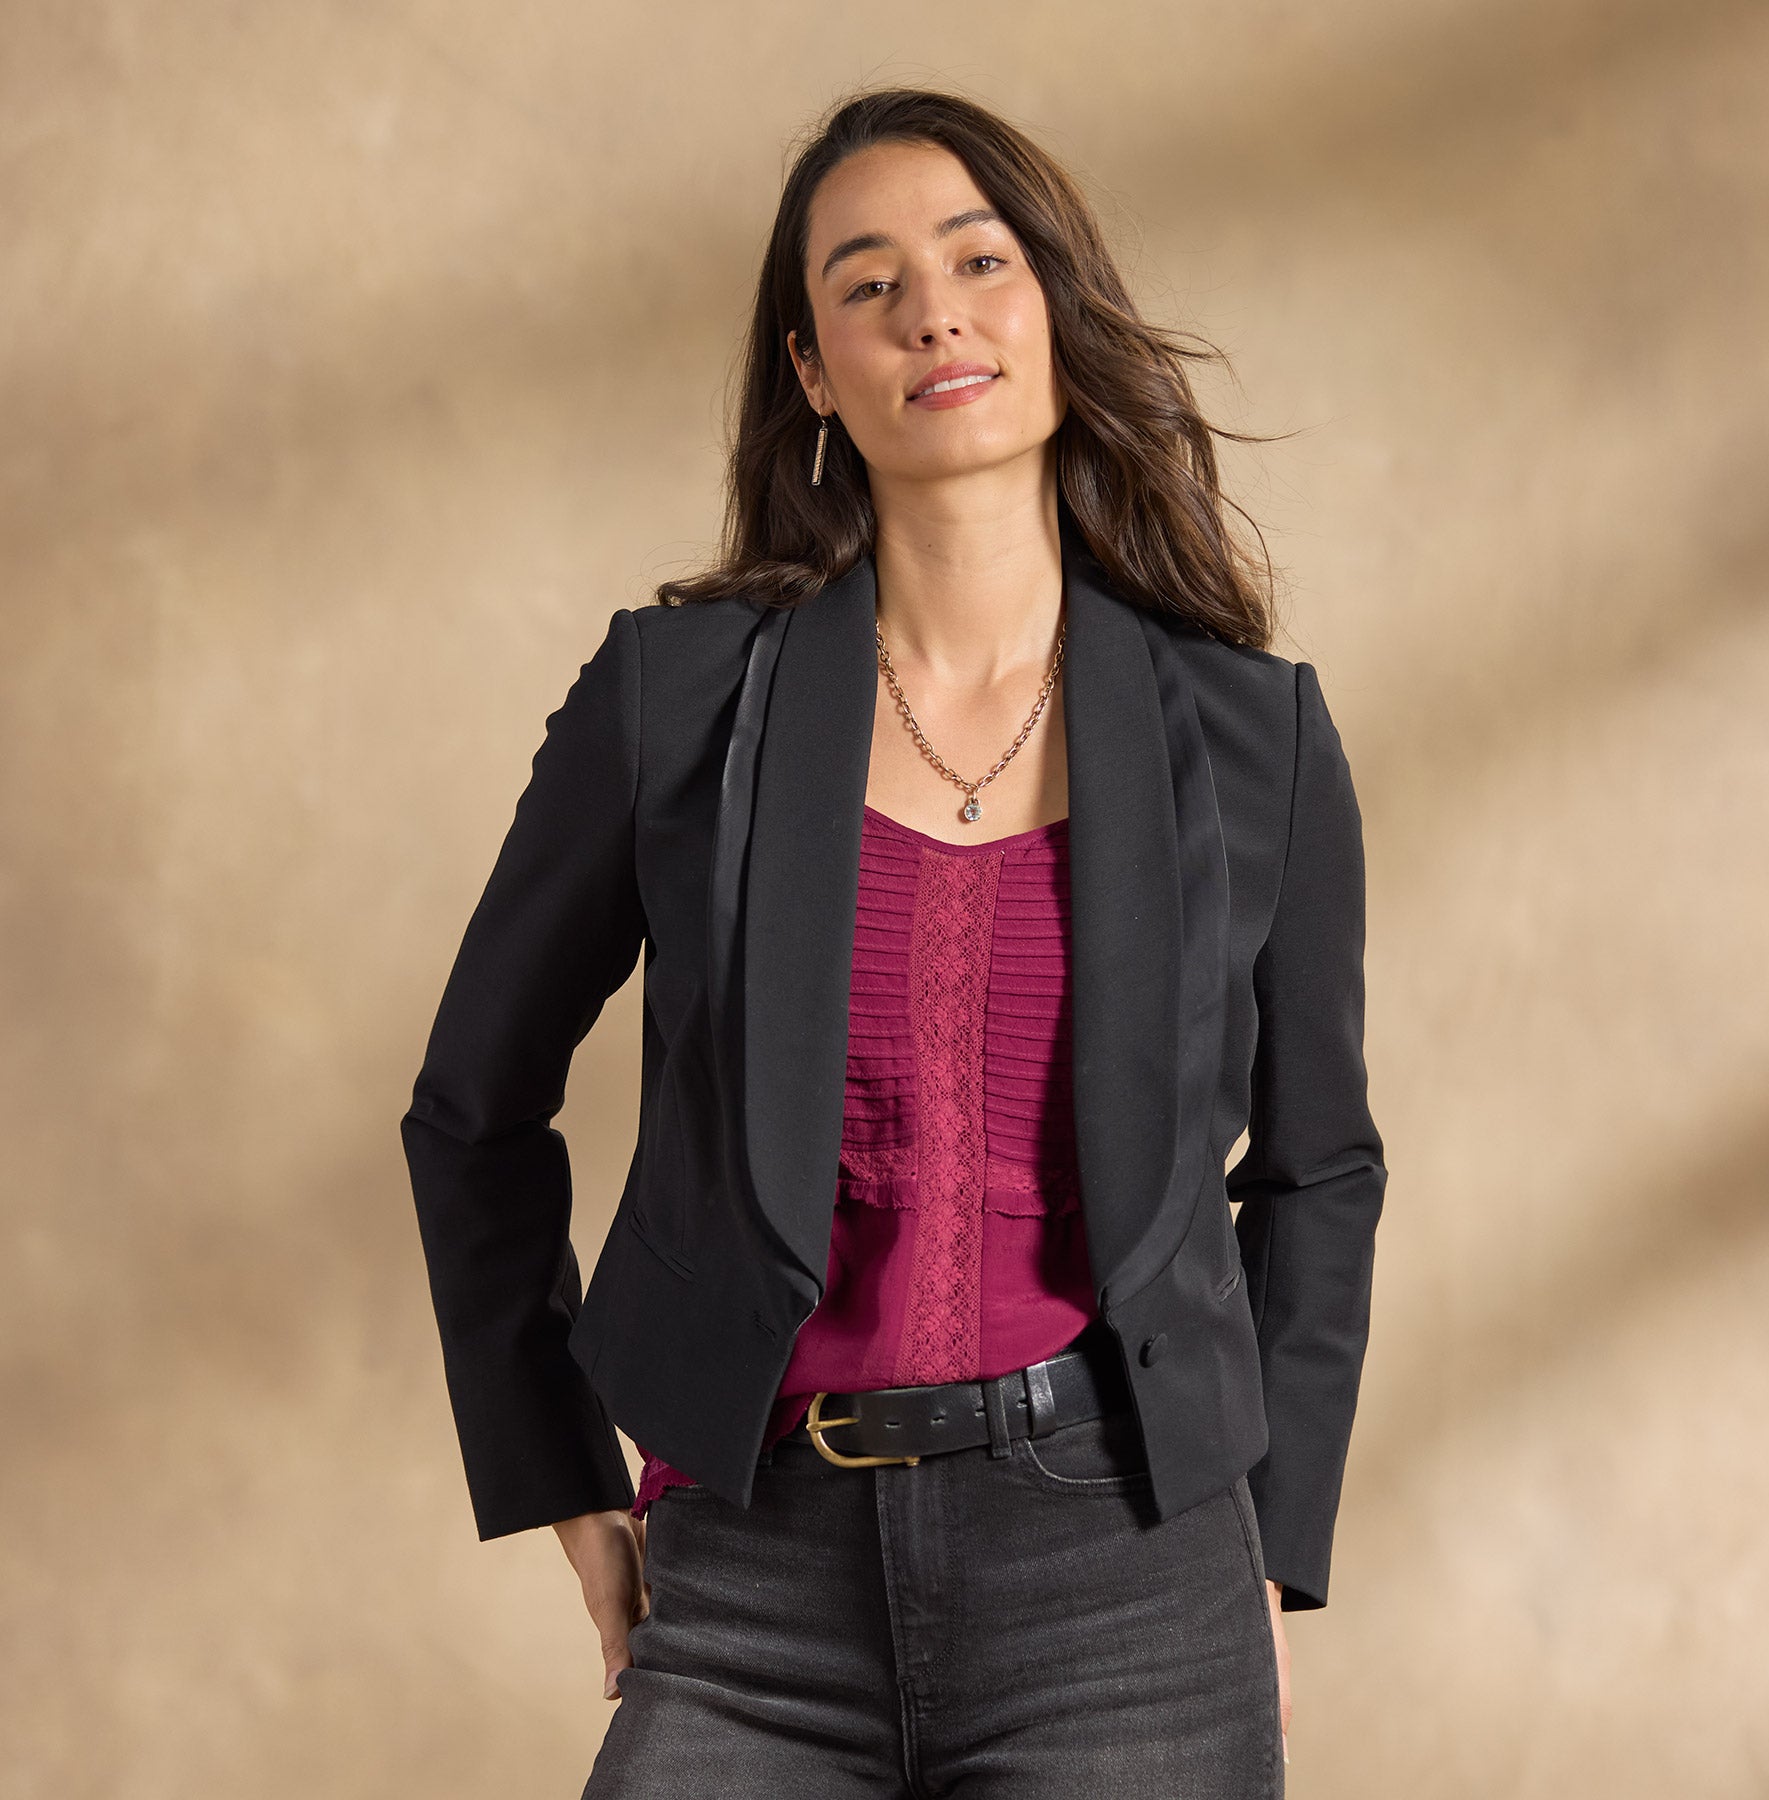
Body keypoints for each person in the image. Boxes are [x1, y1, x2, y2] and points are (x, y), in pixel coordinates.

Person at [401, 85, 1385, 1798]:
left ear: (1056, 311)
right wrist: (561, 1476)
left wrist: (1268, 1552)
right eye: (869, 284)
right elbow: (470, 1110)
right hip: (750, 1576)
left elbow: (1319, 1169)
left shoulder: (1256, 737)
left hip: (1132, 1580)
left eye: (980, 262)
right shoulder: (673, 703)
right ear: (812, 369)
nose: (933, 312)